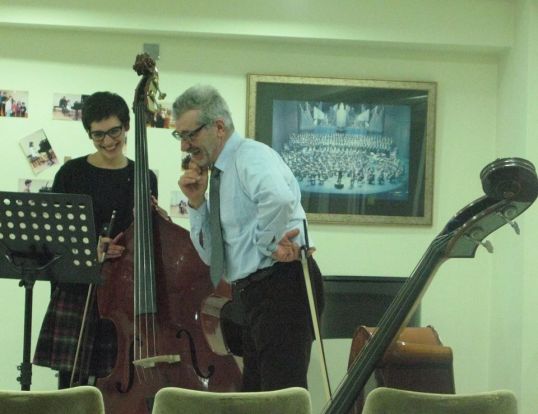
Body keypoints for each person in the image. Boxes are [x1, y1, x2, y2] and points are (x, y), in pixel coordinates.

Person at [175, 85, 324, 392]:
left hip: (281, 287)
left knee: (280, 399)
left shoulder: (250, 156)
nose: (184, 146)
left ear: (218, 127)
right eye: (180, 136)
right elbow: (213, 257)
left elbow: (278, 199)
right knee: (257, 399)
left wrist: (267, 246)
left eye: (190, 135)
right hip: (253, 294)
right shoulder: (219, 174)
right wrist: (197, 203)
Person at [33, 91, 159, 388]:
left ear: (127, 126)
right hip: (79, 289)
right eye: (98, 134)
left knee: (120, 379)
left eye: (114, 131)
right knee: (71, 386)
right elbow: (55, 238)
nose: (108, 141)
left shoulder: (144, 176)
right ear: (89, 133)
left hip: (124, 294)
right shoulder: (71, 173)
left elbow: (148, 241)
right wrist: (91, 248)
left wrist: (157, 221)